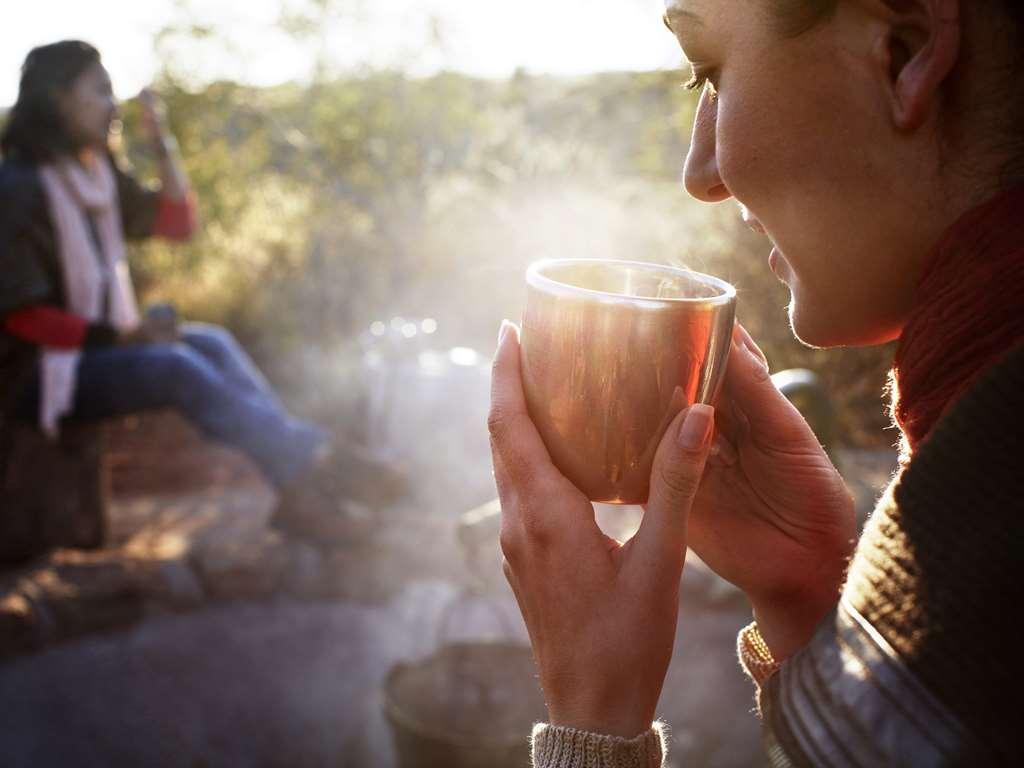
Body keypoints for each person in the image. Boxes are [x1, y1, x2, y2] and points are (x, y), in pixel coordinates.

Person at [489, 1, 1023, 765]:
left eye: (711, 73)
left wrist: (593, 724)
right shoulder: (978, 439)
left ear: (904, 53)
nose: (700, 174)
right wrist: (811, 596)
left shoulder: (994, 522)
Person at [0, 41, 403, 546]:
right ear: (58, 98)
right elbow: (21, 317)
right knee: (173, 367)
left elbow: (177, 221)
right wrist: (125, 337)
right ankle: (323, 463)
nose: (112, 104)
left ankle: (300, 488)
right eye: (100, 91)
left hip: (93, 351)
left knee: (210, 342)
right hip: (36, 374)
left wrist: (159, 138)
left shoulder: (94, 178)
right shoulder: (16, 187)